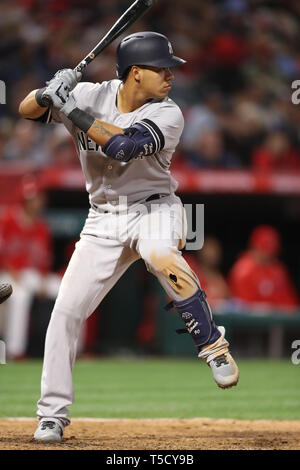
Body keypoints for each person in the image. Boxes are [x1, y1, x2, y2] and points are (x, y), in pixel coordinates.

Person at [19, 31, 239, 443]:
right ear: (135, 73)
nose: (171, 76)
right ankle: (51, 415)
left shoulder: (169, 112)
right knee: (65, 314)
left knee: (160, 253)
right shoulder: (87, 93)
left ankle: (212, 343)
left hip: (155, 208)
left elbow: (122, 147)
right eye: (162, 68)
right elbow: (25, 110)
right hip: (102, 218)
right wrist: (48, 91)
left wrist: (72, 110)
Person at [0, 177, 61, 359]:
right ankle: (15, 351)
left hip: (31, 275)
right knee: (18, 295)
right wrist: (12, 272)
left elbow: (44, 261)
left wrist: (43, 279)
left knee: (65, 290)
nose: (38, 202)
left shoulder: (42, 226)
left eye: (39, 198)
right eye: (34, 198)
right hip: (7, 275)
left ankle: (73, 348)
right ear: (24, 200)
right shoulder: (7, 220)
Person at [228, 225, 300, 312]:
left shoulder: (278, 269)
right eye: (264, 248)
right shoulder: (243, 269)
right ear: (255, 247)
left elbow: (290, 304)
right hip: (251, 323)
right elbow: (243, 306)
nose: (268, 255)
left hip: (279, 322)